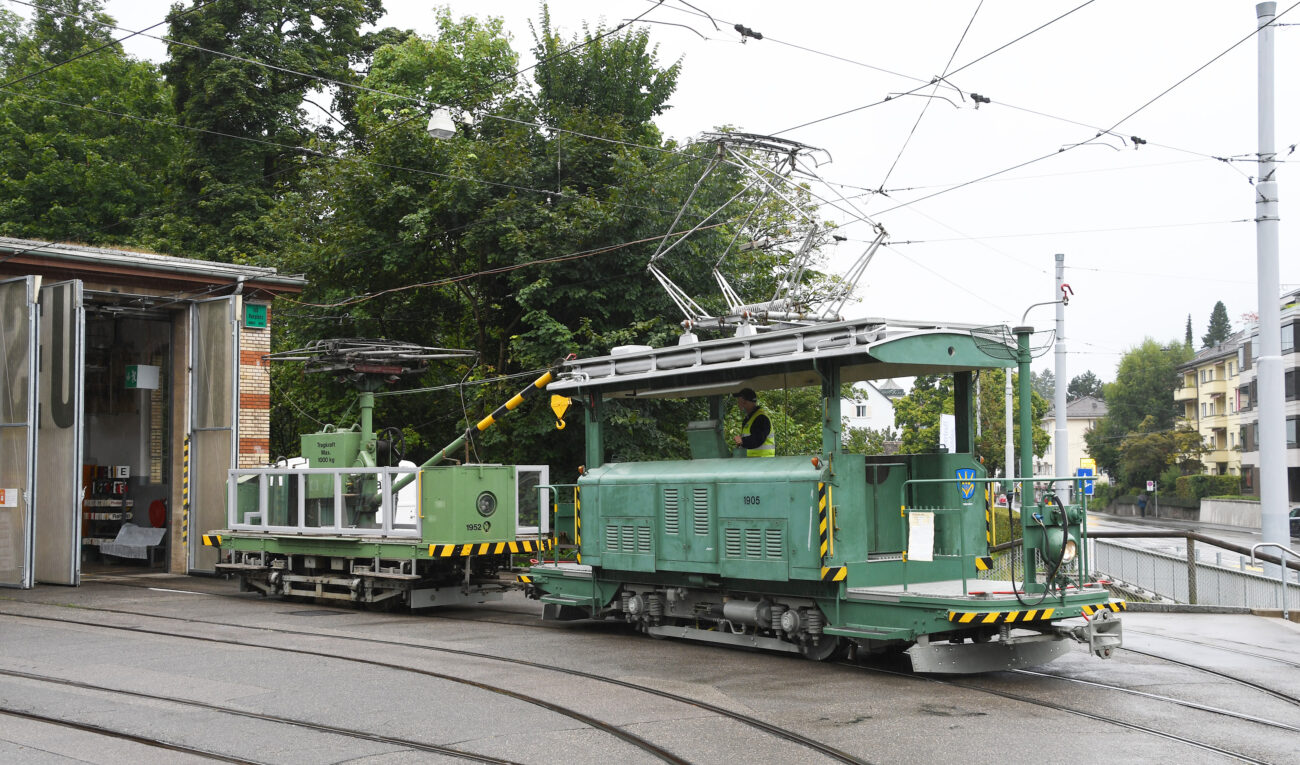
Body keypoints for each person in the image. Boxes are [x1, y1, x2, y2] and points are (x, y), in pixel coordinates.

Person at [732, 388, 775, 457]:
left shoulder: (761, 418)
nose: (738, 404)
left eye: (739, 401)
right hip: (754, 463)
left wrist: (742, 441)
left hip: (762, 463)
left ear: (745, 402)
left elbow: (758, 438)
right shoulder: (751, 418)